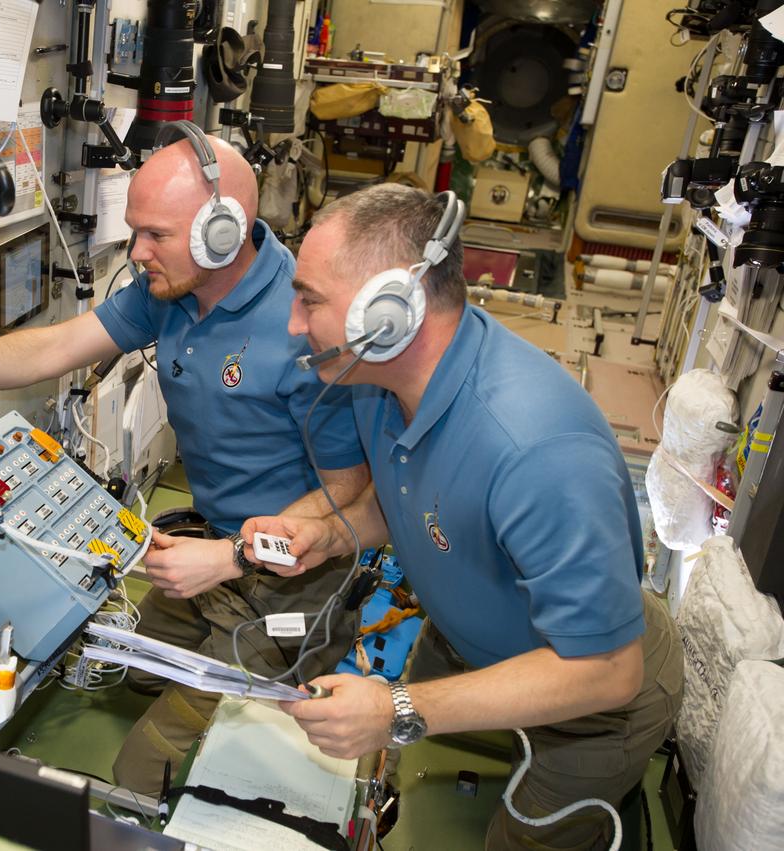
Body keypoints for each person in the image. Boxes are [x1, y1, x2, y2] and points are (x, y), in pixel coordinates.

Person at [0, 129, 367, 796]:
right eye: (135, 232)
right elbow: (54, 347)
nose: (138, 252)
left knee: (143, 771)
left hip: (292, 575)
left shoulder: (304, 329)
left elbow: (348, 497)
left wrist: (233, 556)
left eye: (155, 235)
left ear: (221, 233)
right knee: (132, 671)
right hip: (215, 547)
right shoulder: (170, 289)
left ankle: (310, 648)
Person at [243, 184, 683, 850]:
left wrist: (396, 707)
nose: (294, 326)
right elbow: (409, 498)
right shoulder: (376, 377)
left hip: (590, 695)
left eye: (309, 300)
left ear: (385, 313)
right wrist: (331, 531)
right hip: (462, 644)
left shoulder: (536, 448)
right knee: (409, 803)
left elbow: (607, 668)